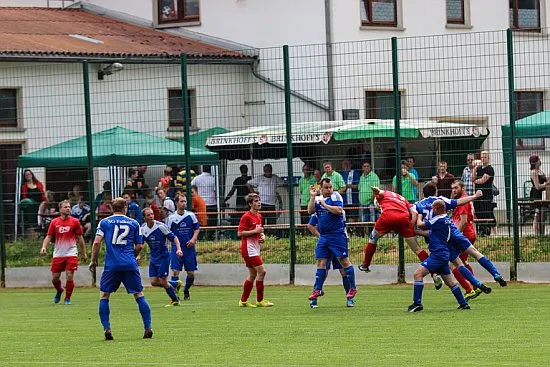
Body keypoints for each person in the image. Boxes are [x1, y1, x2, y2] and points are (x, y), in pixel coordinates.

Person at [414, 182, 506, 287]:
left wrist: (414, 230)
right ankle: (495, 273)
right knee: (475, 253)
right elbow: (459, 202)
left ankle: (476, 283)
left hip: (442, 238)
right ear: (436, 191)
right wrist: (474, 196)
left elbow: (414, 217)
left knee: (457, 263)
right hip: (453, 231)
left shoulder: (418, 205)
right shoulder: (440, 200)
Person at [88, 197, 152, 341]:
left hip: (112, 265)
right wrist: (132, 255)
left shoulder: (104, 222)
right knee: (138, 294)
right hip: (130, 264)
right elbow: (140, 245)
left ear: (112, 208)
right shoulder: (134, 223)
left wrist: (93, 261)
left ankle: (107, 329)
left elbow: (97, 242)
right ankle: (148, 328)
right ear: (125, 207)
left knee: (104, 296)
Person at [358, 186, 443, 290]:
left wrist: (376, 191)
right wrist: (409, 226)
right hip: (404, 219)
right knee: (417, 249)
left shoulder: (382, 195)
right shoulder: (402, 198)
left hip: (388, 216)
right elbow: (414, 213)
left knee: (373, 238)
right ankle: (434, 273)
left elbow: (379, 192)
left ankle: (366, 264)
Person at [409, 200, 470, 312]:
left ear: (436, 208)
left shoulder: (437, 219)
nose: (431, 210)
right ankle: (463, 304)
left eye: (432, 208)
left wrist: (419, 215)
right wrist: (416, 232)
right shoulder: (446, 219)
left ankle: (417, 303)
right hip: (443, 253)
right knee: (450, 282)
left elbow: (420, 225)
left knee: (418, 274)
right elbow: (430, 233)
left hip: (438, 254)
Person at [307, 178, 357, 306]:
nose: (329, 190)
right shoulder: (318, 200)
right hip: (324, 237)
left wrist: (324, 205)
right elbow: (310, 213)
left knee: (343, 264)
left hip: (337, 236)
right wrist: (313, 197)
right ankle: (316, 293)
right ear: (321, 189)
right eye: (326, 188)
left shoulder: (336, 197)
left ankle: (351, 291)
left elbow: (339, 211)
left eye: (330, 187)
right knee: (321, 263)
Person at [40, 200, 87, 305]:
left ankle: (67, 298)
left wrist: (83, 253)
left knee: (69, 275)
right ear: (60, 209)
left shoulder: (75, 221)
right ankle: (59, 290)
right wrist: (44, 247)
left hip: (71, 252)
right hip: (58, 253)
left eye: (69, 207)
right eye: (66, 207)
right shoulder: (54, 222)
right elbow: (49, 236)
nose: (68, 208)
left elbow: (80, 238)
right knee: (55, 278)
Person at [307, 212, 354, 308]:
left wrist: (345, 234)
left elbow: (343, 225)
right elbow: (310, 225)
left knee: (344, 271)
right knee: (323, 270)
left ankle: (350, 298)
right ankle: (314, 299)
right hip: (326, 244)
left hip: (337, 242)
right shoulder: (319, 211)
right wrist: (321, 237)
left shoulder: (339, 210)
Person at [140, 207, 183, 307]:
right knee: (154, 282)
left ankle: (175, 300)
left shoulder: (160, 226)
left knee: (163, 281)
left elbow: (174, 238)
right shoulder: (143, 229)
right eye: (148, 215)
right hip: (154, 258)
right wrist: (138, 255)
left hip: (163, 257)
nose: (151, 216)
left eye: (152, 214)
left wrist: (179, 249)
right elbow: (140, 243)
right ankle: (174, 284)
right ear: (144, 218)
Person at [238, 193, 274, 307]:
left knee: (253, 274)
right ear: (250, 204)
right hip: (248, 249)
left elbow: (260, 231)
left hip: (255, 248)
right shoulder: (246, 216)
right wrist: (255, 232)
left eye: (259, 200)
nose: (259, 203)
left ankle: (243, 301)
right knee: (262, 271)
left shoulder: (259, 216)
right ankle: (260, 300)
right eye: (256, 201)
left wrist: (263, 237)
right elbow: (240, 233)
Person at [451, 180, 483, 300]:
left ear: (462, 188)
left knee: (453, 263)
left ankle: (469, 289)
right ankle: (475, 286)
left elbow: (463, 221)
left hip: (465, 234)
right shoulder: (464, 199)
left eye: (456, 188)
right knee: (463, 262)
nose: (454, 190)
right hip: (469, 233)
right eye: (452, 188)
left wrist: (455, 236)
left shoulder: (463, 202)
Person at [166, 194, 200, 301]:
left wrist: (193, 238)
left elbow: (197, 228)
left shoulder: (191, 215)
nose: (184, 203)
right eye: (181, 201)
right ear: (176, 203)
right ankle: (175, 294)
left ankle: (186, 290)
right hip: (177, 248)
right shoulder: (171, 218)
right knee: (175, 271)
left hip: (189, 248)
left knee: (191, 273)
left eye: (185, 201)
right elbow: (168, 233)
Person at [247, 164, 284, 237]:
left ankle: (272, 237)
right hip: (262, 203)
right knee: (261, 221)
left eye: (269, 170)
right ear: (264, 171)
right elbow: (248, 183)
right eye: (266, 170)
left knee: (272, 223)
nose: (267, 171)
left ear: (271, 170)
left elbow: (283, 183)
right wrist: (254, 193)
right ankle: (261, 236)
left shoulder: (275, 177)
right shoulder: (259, 178)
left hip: (272, 204)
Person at [224, 164, 252, 238]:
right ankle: (244, 233)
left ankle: (244, 233)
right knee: (244, 218)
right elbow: (232, 191)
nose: (243, 171)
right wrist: (225, 199)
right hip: (243, 202)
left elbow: (232, 192)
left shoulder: (248, 179)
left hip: (245, 202)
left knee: (244, 218)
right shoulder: (247, 179)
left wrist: (225, 199)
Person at [191, 165, 217, 240]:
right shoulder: (213, 179)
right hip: (211, 203)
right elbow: (216, 191)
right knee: (212, 222)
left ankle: (200, 236)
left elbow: (191, 185)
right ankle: (210, 236)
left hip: (200, 203)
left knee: (200, 220)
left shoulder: (197, 178)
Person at [472, 151, 495, 236]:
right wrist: (475, 168)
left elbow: (482, 180)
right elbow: (472, 178)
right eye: (482, 157)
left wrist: (475, 181)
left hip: (486, 195)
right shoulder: (478, 168)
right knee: (478, 212)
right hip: (478, 196)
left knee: (486, 213)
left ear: (488, 158)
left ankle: (487, 231)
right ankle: (480, 231)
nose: (483, 159)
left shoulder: (490, 169)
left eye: (485, 157)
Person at [358, 161, 380, 233]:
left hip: (371, 201)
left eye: (367, 166)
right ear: (362, 168)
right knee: (363, 219)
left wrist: (372, 199)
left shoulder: (374, 176)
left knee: (372, 218)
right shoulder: (361, 177)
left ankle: (372, 233)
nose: (366, 167)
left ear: (370, 167)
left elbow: (376, 190)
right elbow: (359, 188)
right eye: (364, 166)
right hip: (362, 202)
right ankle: (364, 234)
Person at [529, 154, 547, 234]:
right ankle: (535, 232)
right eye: (539, 159)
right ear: (535, 162)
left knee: (542, 213)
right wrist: (546, 185)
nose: (540, 161)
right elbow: (537, 186)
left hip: (543, 194)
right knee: (537, 214)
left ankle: (541, 231)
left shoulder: (541, 171)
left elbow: (545, 180)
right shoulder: (533, 172)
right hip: (536, 194)